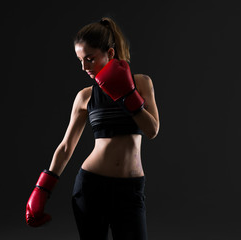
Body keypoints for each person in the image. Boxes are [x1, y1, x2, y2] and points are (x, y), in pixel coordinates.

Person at [25, 17, 160, 240]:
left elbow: (152, 130)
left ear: (110, 53)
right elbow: (66, 146)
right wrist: (43, 188)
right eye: (80, 60)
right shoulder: (84, 96)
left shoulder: (142, 83)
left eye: (90, 59)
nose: (84, 67)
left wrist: (127, 95)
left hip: (131, 190)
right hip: (92, 187)